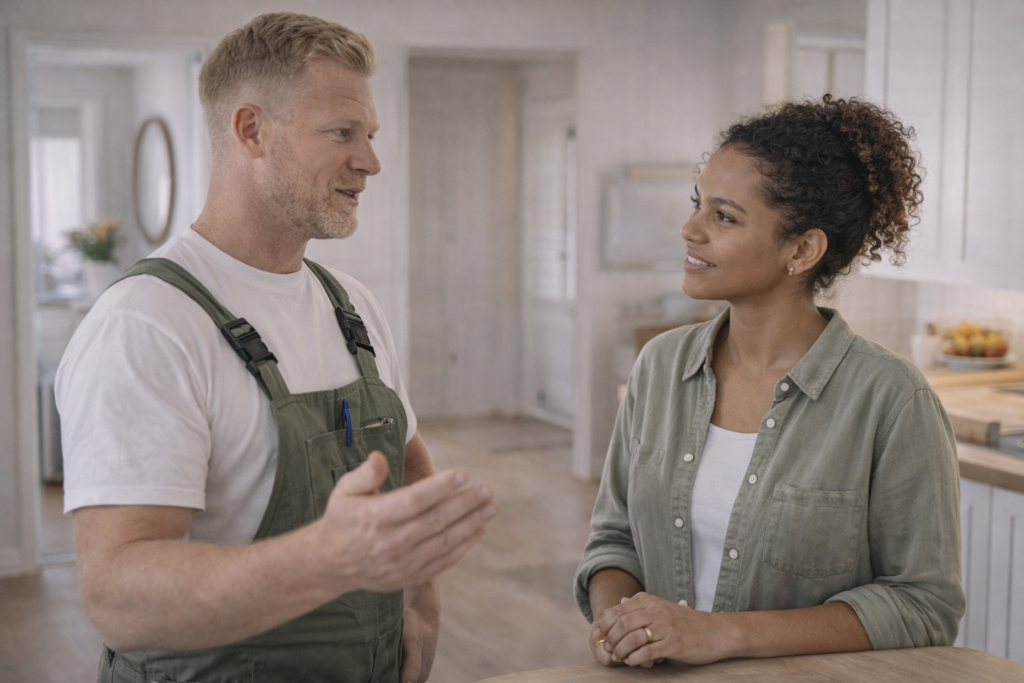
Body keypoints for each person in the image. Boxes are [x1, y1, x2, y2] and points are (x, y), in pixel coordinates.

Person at [56, 12, 496, 683]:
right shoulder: (147, 323)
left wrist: (422, 603)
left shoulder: (351, 305)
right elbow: (120, 595)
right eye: (342, 133)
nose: (371, 162)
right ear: (251, 130)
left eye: (370, 135)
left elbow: (403, 455)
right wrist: (331, 557)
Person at [574, 95, 965, 668]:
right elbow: (613, 540)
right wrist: (623, 626)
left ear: (802, 249)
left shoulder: (892, 400)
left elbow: (923, 604)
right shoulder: (660, 366)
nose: (689, 229)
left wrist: (720, 634)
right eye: (697, 204)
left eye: (723, 216)